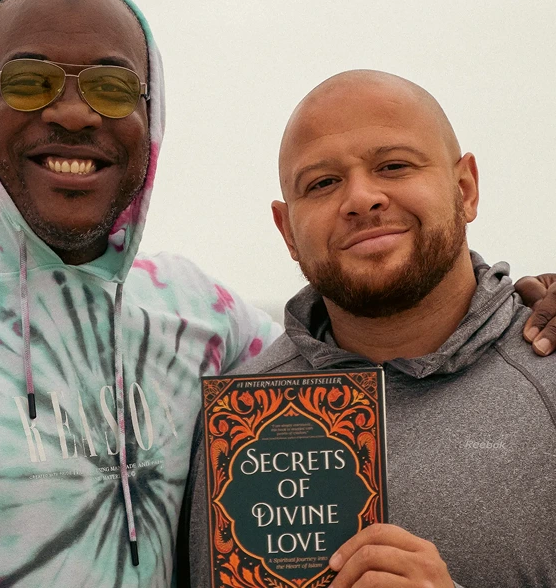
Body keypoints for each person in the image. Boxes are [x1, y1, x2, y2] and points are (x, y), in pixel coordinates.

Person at [0, 0, 281, 587]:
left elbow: (358, 377)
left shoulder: (200, 316)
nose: (74, 113)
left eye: (112, 87)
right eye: (29, 81)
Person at [180, 70, 556, 587]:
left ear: (465, 189)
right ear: (287, 232)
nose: (361, 198)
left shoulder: (546, 375)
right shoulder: (233, 423)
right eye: (322, 183)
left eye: (394, 165)